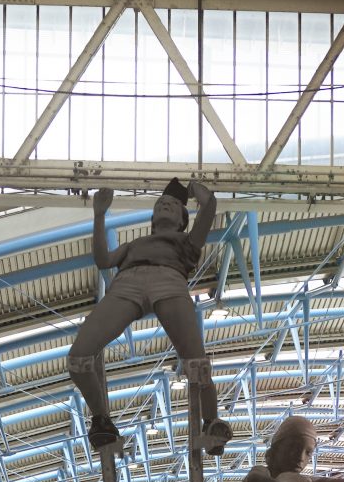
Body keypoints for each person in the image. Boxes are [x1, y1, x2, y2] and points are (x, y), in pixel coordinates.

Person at [68, 179, 233, 453]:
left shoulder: (187, 242)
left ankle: (211, 420)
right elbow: (103, 260)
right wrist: (99, 215)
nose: (165, 204)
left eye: (172, 205)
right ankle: (100, 419)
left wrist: (195, 189)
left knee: (197, 361)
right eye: (160, 205)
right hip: (126, 283)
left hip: (170, 279)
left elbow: (209, 206)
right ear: (152, 218)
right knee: (78, 356)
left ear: (183, 219)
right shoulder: (135, 244)